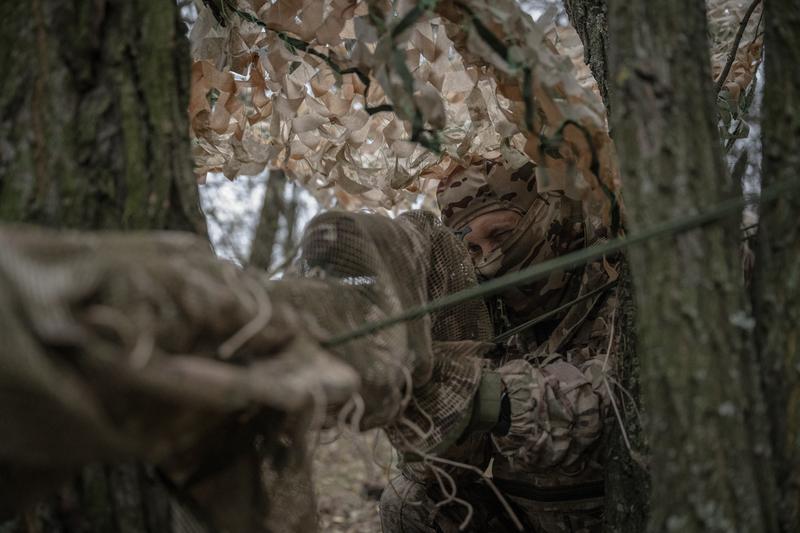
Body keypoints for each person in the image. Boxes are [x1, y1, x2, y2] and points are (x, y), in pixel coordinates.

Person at [380, 157, 622, 533]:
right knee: (410, 501)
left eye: (502, 235)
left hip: (626, 513)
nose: (490, 261)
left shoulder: (616, 275)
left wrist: (487, 398)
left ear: (548, 214)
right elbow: (452, 469)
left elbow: (612, 407)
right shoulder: (484, 312)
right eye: (473, 249)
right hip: (525, 519)